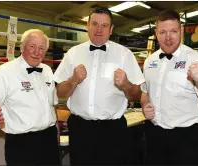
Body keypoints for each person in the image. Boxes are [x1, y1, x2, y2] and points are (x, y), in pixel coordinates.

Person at [53, 7, 145, 165]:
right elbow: (60, 93)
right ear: (87, 25)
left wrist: (126, 85)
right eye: (95, 24)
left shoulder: (124, 54)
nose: (99, 29)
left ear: (111, 29)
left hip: (113, 130)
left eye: (104, 25)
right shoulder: (73, 53)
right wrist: (73, 80)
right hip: (81, 128)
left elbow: (136, 94)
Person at [141, 10, 198, 165]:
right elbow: (145, 92)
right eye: (163, 32)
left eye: (173, 31)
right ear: (156, 33)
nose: (168, 37)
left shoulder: (196, 59)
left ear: (182, 31)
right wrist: (145, 105)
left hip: (187, 138)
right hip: (155, 135)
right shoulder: (149, 61)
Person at [0, 29, 60, 165]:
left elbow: (52, 105)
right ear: (22, 46)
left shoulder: (48, 71)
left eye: (41, 48)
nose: (37, 52)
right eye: (32, 46)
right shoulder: (4, 72)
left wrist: (56, 133)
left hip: (49, 139)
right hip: (21, 143)